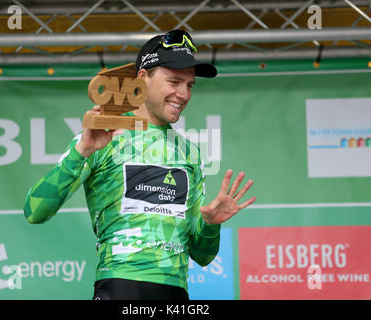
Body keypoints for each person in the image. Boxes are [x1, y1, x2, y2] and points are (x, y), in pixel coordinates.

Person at [23, 30, 256, 300]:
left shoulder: (189, 152)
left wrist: (210, 224)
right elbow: (35, 211)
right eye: (174, 81)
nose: (183, 94)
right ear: (142, 78)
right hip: (120, 285)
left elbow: (202, 256)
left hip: (175, 292)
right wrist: (82, 150)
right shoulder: (105, 134)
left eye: (190, 85)